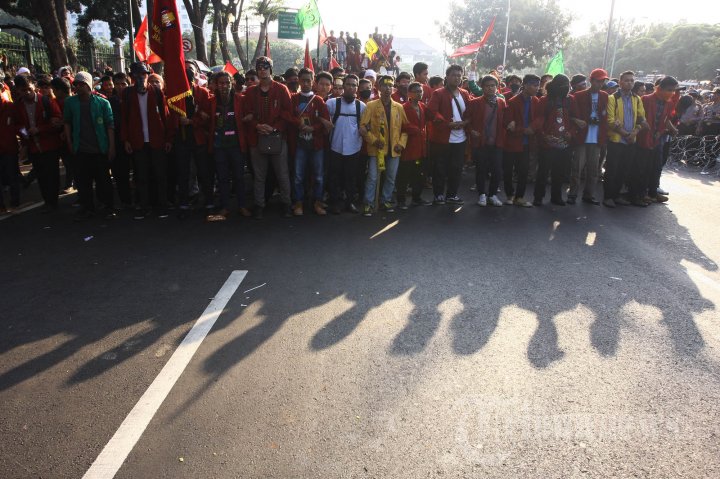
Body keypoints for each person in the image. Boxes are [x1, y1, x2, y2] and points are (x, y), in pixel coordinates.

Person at [242, 56, 293, 219]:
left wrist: (274, 128)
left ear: (271, 69)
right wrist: (257, 125)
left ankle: (286, 204)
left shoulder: (281, 89)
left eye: (265, 67)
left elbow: (288, 113)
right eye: (259, 67)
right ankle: (259, 205)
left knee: (282, 174)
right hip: (257, 138)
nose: (262, 70)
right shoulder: (250, 92)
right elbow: (246, 114)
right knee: (259, 175)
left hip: (277, 137)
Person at [62, 71, 116, 220]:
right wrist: (69, 142)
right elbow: (67, 122)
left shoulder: (103, 103)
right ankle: (88, 208)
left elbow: (110, 126)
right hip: (80, 149)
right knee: (83, 182)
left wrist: (111, 147)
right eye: (76, 85)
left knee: (104, 181)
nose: (78, 87)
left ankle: (108, 207)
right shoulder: (70, 103)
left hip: (100, 149)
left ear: (89, 85)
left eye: (82, 84)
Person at [121, 61, 171, 220]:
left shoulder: (156, 92)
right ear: (132, 77)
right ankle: (144, 206)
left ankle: (162, 205)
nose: (141, 78)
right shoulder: (127, 94)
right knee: (141, 176)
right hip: (138, 141)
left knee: (160, 175)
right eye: (137, 75)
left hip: (157, 140)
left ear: (147, 76)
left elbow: (165, 116)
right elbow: (124, 119)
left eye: (143, 74)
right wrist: (126, 140)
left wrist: (168, 138)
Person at [168, 63, 215, 218]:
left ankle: (208, 201)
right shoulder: (175, 95)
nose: (188, 75)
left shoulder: (202, 92)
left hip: (199, 138)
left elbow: (208, 116)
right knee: (183, 172)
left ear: (196, 75)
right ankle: (184, 203)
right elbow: (170, 115)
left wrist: (192, 121)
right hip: (182, 139)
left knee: (203, 171)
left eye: (191, 73)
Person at [13, 74, 64, 212]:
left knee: (52, 175)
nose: (27, 93)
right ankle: (48, 201)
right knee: (41, 176)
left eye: (29, 89)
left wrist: (40, 129)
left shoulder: (46, 101)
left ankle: (53, 201)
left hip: (50, 145)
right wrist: (25, 133)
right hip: (33, 147)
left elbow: (58, 120)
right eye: (23, 90)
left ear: (34, 86)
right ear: (18, 90)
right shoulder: (17, 106)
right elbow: (17, 125)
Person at [203, 71, 249, 221]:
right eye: (221, 83)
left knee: (239, 177)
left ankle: (242, 205)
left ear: (232, 84)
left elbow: (250, 114)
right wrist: (204, 118)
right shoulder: (210, 102)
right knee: (222, 178)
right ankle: (225, 207)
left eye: (227, 83)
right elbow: (205, 121)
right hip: (219, 146)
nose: (224, 86)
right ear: (216, 85)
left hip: (236, 145)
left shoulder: (240, 100)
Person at [360, 75, 408, 216]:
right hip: (377, 147)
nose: (387, 89)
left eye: (390, 86)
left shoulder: (399, 107)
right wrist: (373, 140)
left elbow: (405, 129)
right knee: (373, 177)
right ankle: (368, 203)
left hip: (394, 148)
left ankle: (385, 200)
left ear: (393, 88)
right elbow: (363, 127)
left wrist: (401, 144)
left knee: (391, 177)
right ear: (379, 88)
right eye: (384, 86)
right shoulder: (371, 105)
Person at [427, 64, 470, 205]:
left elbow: (469, 112)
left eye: (459, 75)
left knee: (457, 168)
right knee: (440, 168)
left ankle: (452, 195)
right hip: (443, 138)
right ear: (447, 77)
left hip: (460, 137)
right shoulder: (438, 93)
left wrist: (466, 122)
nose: (457, 78)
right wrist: (446, 124)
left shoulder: (464, 93)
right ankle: (438, 195)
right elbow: (432, 112)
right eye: (454, 75)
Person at [289, 68, 330, 216]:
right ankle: (298, 203)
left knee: (318, 176)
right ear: (299, 81)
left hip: (316, 144)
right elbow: (287, 115)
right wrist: (298, 123)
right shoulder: (293, 98)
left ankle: (318, 203)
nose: (306, 83)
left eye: (308, 80)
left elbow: (325, 120)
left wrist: (313, 128)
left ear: (313, 82)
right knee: (298, 176)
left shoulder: (318, 100)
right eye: (303, 80)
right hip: (299, 144)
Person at [604, 70, 647, 208]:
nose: (630, 83)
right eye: (627, 80)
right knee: (612, 169)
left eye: (632, 80)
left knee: (624, 169)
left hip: (631, 141)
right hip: (616, 140)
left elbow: (641, 118)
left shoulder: (637, 99)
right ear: (620, 82)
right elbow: (610, 120)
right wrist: (625, 134)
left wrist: (634, 133)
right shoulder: (612, 98)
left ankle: (616, 195)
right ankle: (608, 197)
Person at [325, 74, 366, 214]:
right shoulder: (331, 103)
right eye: (348, 84)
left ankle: (349, 203)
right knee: (334, 176)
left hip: (354, 148)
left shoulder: (362, 107)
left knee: (351, 177)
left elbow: (366, 126)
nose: (351, 87)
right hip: (335, 146)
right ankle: (335, 203)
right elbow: (321, 119)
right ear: (343, 86)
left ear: (357, 88)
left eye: (354, 85)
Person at [567, 68, 609, 206]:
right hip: (582, 137)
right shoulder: (578, 96)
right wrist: (576, 120)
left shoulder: (605, 96)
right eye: (598, 81)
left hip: (596, 138)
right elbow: (570, 115)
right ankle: (572, 194)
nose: (600, 83)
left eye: (603, 81)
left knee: (593, 170)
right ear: (591, 80)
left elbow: (606, 116)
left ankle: (588, 195)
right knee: (576, 168)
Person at [637, 76, 679, 205]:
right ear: (659, 88)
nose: (672, 93)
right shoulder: (646, 99)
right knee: (643, 167)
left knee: (656, 167)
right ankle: (641, 194)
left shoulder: (669, 103)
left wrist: (672, 129)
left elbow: (666, 120)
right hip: (643, 138)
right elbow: (638, 117)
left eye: (673, 90)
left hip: (658, 138)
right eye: (669, 90)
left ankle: (653, 193)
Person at [466, 74, 507, 207]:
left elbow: (505, 121)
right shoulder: (474, 102)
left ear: (497, 87)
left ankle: (493, 194)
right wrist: (471, 130)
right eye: (487, 86)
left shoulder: (502, 103)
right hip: (480, 142)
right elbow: (466, 120)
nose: (490, 88)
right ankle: (482, 195)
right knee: (481, 170)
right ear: (482, 87)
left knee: (497, 170)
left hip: (497, 142)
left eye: (493, 86)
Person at [534, 74, 574, 206]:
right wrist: (543, 135)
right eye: (564, 85)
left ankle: (556, 197)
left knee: (560, 172)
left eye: (568, 85)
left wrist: (571, 133)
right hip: (547, 142)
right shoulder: (545, 101)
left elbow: (575, 120)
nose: (567, 88)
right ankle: (538, 197)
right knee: (543, 171)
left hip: (564, 142)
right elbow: (538, 120)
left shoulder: (570, 101)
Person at [502, 74, 540, 208]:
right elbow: (508, 122)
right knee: (508, 170)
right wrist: (524, 130)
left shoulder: (536, 101)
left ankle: (519, 197)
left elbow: (539, 119)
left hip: (527, 142)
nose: (537, 88)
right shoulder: (512, 101)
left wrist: (532, 128)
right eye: (534, 85)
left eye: (538, 85)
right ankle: (509, 195)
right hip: (512, 142)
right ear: (525, 85)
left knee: (523, 171)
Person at [397, 82, 430, 208]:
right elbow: (399, 124)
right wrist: (413, 128)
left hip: (421, 147)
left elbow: (432, 115)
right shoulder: (403, 107)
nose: (419, 93)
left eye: (421, 91)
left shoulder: (422, 106)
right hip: (408, 147)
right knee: (404, 175)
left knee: (419, 174)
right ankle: (401, 200)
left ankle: (417, 197)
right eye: (416, 91)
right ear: (409, 93)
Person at [0, 67, 20, 212]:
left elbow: (20, 125)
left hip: (9, 147)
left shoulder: (9, 106)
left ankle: (15, 202)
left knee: (12, 177)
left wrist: (25, 142)